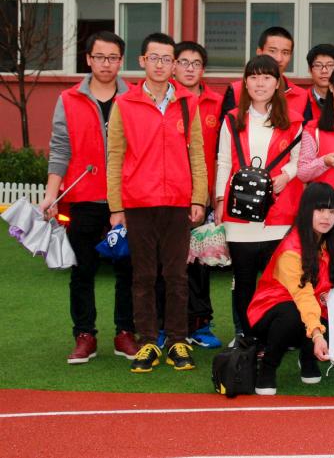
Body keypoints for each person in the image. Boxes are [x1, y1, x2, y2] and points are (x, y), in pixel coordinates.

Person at [106, 32, 208, 373]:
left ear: (174, 64)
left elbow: (197, 154)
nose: (161, 65)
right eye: (155, 58)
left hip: (178, 202)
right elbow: (115, 157)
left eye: (167, 59)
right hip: (139, 203)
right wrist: (116, 207)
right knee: (144, 277)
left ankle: (178, 340)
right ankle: (148, 341)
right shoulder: (125, 104)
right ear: (142, 61)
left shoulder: (187, 103)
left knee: (177, 276)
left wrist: (198, 197)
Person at [40, 31, 138, 365]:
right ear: (88, 59)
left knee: (128, 270)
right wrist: (51, 194)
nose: (106, 64)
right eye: (99, 57)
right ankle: (85, 335)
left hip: (126, 200)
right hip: (84, 198)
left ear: (121, 61)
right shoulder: (68, 99)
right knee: (82, 271)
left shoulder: (134, 98)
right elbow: (59, 149)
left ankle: (125, 332)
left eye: (112, 58)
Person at [216, 56, 304, 340]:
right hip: (239, 214)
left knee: (275, 283)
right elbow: (223, 162)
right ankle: (245, 335)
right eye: (254, 77)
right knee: (243, 282)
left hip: (278, 214)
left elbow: (299, 160)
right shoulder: (232, 119)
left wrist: (286, 176)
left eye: (267, 77)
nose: (260, 83)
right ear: (245, 82)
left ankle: (272, 336)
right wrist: (220, 200)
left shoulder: (294, 120)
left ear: (278, 83)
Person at [248, 182, 334, 395]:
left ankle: (308, 358)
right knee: (292, 313)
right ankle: (268, 367)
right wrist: (317, 336)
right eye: (320, 210)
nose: (326, 217)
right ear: (306, 211)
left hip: (309, 307)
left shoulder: (331, 242)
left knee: (332, 306)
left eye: (332, 211)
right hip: (271, 310)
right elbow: (303, 296)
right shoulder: (291, 250)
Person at [164, 41, 223, 348]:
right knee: (169, 265)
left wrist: (214, 197)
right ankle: (166, 325)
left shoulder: (217, 102)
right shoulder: (165, 100)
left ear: (203, 69)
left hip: (203, 197)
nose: (189, 69)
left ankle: (200, 325)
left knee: (199, 265)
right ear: (173, 66)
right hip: (168, 195)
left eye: (196, 63)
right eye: (183, 62)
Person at [220, 26, 308, 123]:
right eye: (272, 51)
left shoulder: (301, 96)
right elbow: (227, 128)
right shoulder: (236, 90)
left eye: (285, 52)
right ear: (259, 52)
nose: (279, 58)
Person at [303, 44, 334, 123]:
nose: (324, 71)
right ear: (309, 70)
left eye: (330, 65)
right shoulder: (301, 100)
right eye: (318, 65)